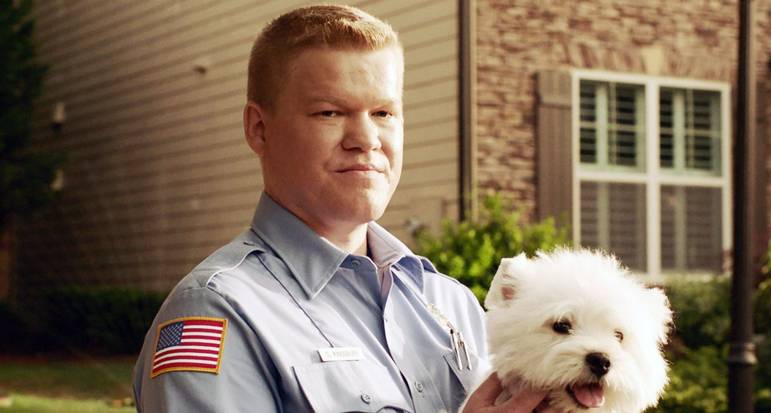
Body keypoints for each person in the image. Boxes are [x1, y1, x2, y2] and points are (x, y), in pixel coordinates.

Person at [132, 4, 545, 412]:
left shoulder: (451, 303)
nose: (366, 139)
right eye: (329, 112)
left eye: (383, 112)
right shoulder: (217, 312)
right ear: (259, 129)